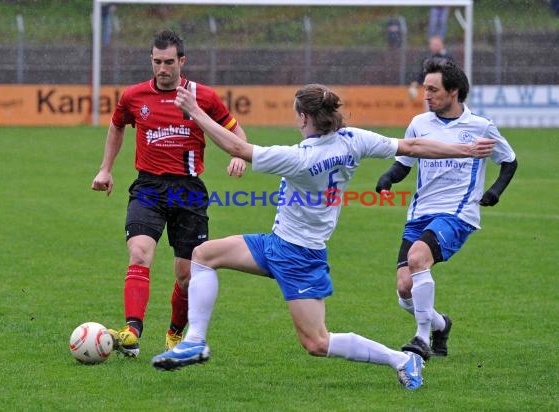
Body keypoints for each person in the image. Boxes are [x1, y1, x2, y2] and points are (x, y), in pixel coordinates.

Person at [150, 83, 495, 390]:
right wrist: (464, 151)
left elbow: (239, 149)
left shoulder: (301, 159)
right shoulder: (353, 140)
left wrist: (195, 112)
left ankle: (402, 360)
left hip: (300, 257)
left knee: (317, 343)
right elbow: (413, 146)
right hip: (277, 244)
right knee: (204, 255)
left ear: (304, 117)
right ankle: (195, 340)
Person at [90, 29, 247, 357]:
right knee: (139, 253)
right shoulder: (134, 96)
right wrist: (106, 168)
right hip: (148, 187)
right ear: (151, 60)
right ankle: (132, 330)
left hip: (188, 191)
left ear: (182, 61)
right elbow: (117, 124)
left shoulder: (201, 97)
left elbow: (234, 129)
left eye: (169, 62)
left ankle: (175, 331)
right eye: (157, 62)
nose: (163, 69)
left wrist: (238, 154)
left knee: (186, 275)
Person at [375, 58, 518, 361]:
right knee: (404, 289)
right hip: (419, 213)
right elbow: (405, 162)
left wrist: (494, 191)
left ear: (453, 91)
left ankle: (422, 338)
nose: (426, 95)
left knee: (417, 258)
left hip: (457, 213)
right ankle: (441, 325)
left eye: (433, 89)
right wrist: (388, 178)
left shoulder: (480, 127)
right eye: (425, 88)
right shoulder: (419, 123)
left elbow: (509, 160)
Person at [408, 35, 453, 100]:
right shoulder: (427, 58)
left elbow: (452, 73)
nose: (435, 46)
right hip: (431, 90)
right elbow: (422, 73)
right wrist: (415, 83)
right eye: (433, 44)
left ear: (442, 44)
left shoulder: (448, 57)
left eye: (436, 44)